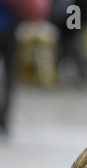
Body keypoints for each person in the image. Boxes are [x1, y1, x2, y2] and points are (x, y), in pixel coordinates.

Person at [0, 0, 52, 135]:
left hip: (8, 27)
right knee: (9, 77)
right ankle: (4, 118)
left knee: (9, 76)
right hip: (9, 28)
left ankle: (4, 117)